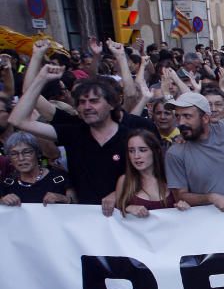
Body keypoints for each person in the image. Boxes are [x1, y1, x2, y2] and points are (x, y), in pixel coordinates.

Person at [11, 67, 142, 205]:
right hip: (82, 217)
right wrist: (41, 79)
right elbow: (18, 120)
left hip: (124, 215)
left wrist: (118, 193)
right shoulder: (72, 133)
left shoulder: (131, 138)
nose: (87, 107)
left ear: (111, 104)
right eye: (81, 102)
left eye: (94, 101)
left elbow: (145, 177)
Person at [0, 132, 73, 206]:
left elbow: (77, 204)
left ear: (37, 153)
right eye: (14, 154)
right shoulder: (7, 183)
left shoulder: (59, 178)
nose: (21, 158)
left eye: (27, 152)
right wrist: (2, 201)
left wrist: (64, 199)